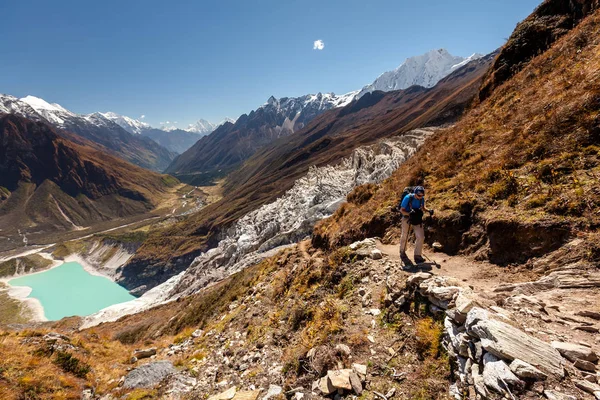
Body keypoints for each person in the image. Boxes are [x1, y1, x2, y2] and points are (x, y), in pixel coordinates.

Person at [399, 186, 432, 263]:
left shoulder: (421, 199)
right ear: (415, 193)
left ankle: (417, 255)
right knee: (405, 235)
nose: (421, 197)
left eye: (422, 195)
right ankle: (402, 252)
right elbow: (401, 210)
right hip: (406, 218)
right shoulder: (408, 198)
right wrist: (409, 213)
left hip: (417, 218)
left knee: (421, 237)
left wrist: (429, 210)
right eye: (419, 195)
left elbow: (423, 207)